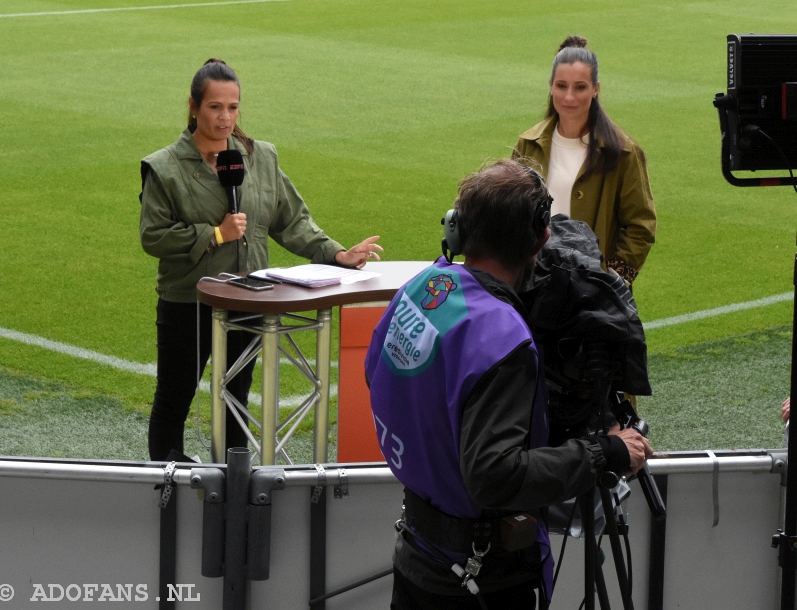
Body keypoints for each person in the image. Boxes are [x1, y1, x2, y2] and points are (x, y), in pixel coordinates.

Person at [365, 159, 652, 609]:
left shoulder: (424, 285)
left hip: (418, 555)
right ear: (541, 236)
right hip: (480, 581)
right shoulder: (503, 338)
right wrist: (606, 452)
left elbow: (378, 378)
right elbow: (494, 477)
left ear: (460, 226)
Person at [140, 58, 382, 461]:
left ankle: (234, 483)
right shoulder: (164, 167)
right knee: (175, 398)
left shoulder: (261, 158)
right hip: (190, 303)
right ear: (194, 106)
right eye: (215, 107)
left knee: (236, 397)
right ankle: (168, 488)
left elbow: (292, 220)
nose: (225, 118)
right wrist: (214, 234)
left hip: (250, 299)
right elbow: (152, 236)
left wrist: (338, 253)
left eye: (233, 107)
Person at [512, 35, 656, 288]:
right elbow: (510, 215)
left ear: (596, 89)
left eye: (580, 87)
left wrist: (613, 277)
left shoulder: (623, 152)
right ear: (550, 86)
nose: (569, 97)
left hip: (593, 293)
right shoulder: (527, 145)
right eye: (561, 86)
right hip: (534, 284)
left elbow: (640, 226)